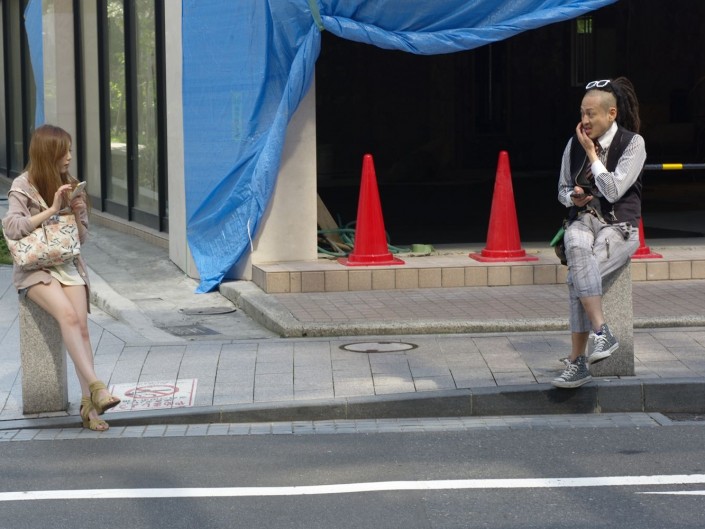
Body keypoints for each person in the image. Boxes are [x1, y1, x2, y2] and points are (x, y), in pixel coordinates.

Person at [2, 124, 120, 430]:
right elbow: (12, 229)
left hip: (68, 264)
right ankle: (96, 388)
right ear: (47, 154)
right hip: (34, 270)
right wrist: (52, 208)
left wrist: (77, 211)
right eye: (63, 151)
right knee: (67, 316)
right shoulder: (22, 186)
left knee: (81, 328)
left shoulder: (69, 184)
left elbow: (78, 240)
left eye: (69, 150)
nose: (68, 157)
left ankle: (88, 408)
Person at [552, 77, 646, 388]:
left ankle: (578, 362)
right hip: (585, 220)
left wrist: (593, 155)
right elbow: (562, 190)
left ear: (612, 114)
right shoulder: (571, 143)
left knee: (574, 278)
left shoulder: (633, 144)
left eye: (591, 114)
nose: (585, 120)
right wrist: (573, 197)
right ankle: (602, 332)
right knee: (574, 239)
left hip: (620, 226)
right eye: (582, 113)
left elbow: (614, 190)